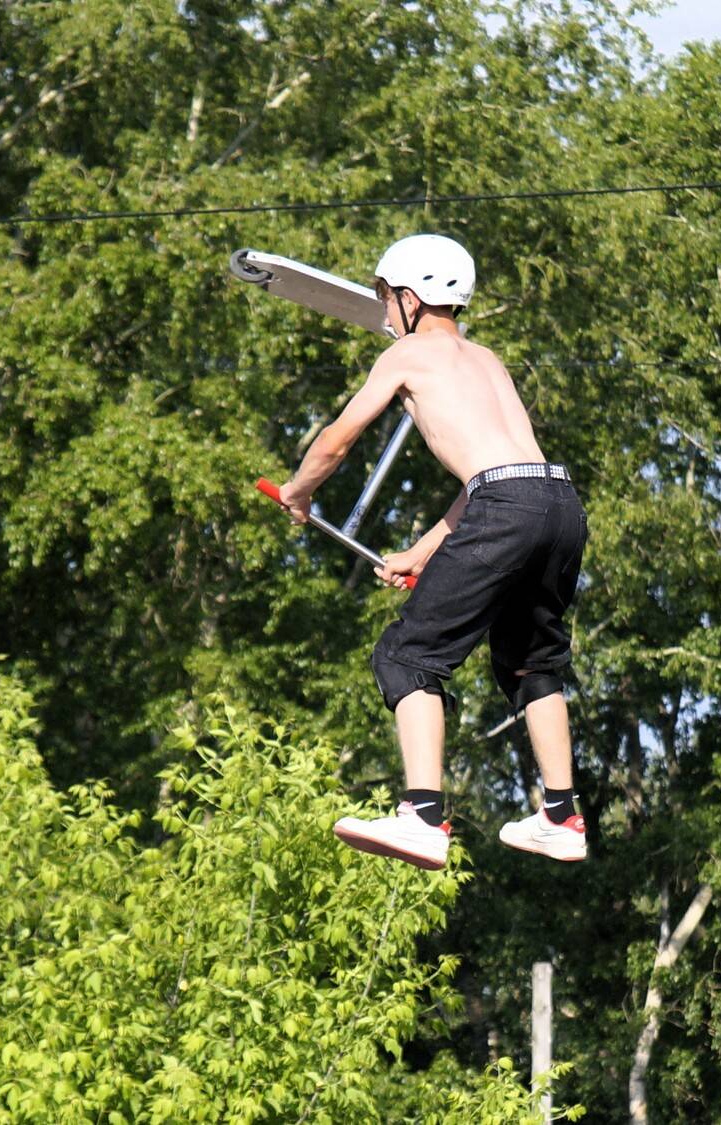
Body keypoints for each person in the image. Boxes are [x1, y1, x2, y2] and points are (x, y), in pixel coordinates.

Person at [275, 234, 588, 870]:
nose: (383, 313)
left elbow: (338, 439)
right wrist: (424, 549)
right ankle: (563, 817)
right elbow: (503, 476)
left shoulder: (408, 354)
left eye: (385, 298)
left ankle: (421, 816)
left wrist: (299, 489)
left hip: (506, 510)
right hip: (558, 505)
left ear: (412, 298)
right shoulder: (488, 358)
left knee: (408, 656)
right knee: (532, 663)